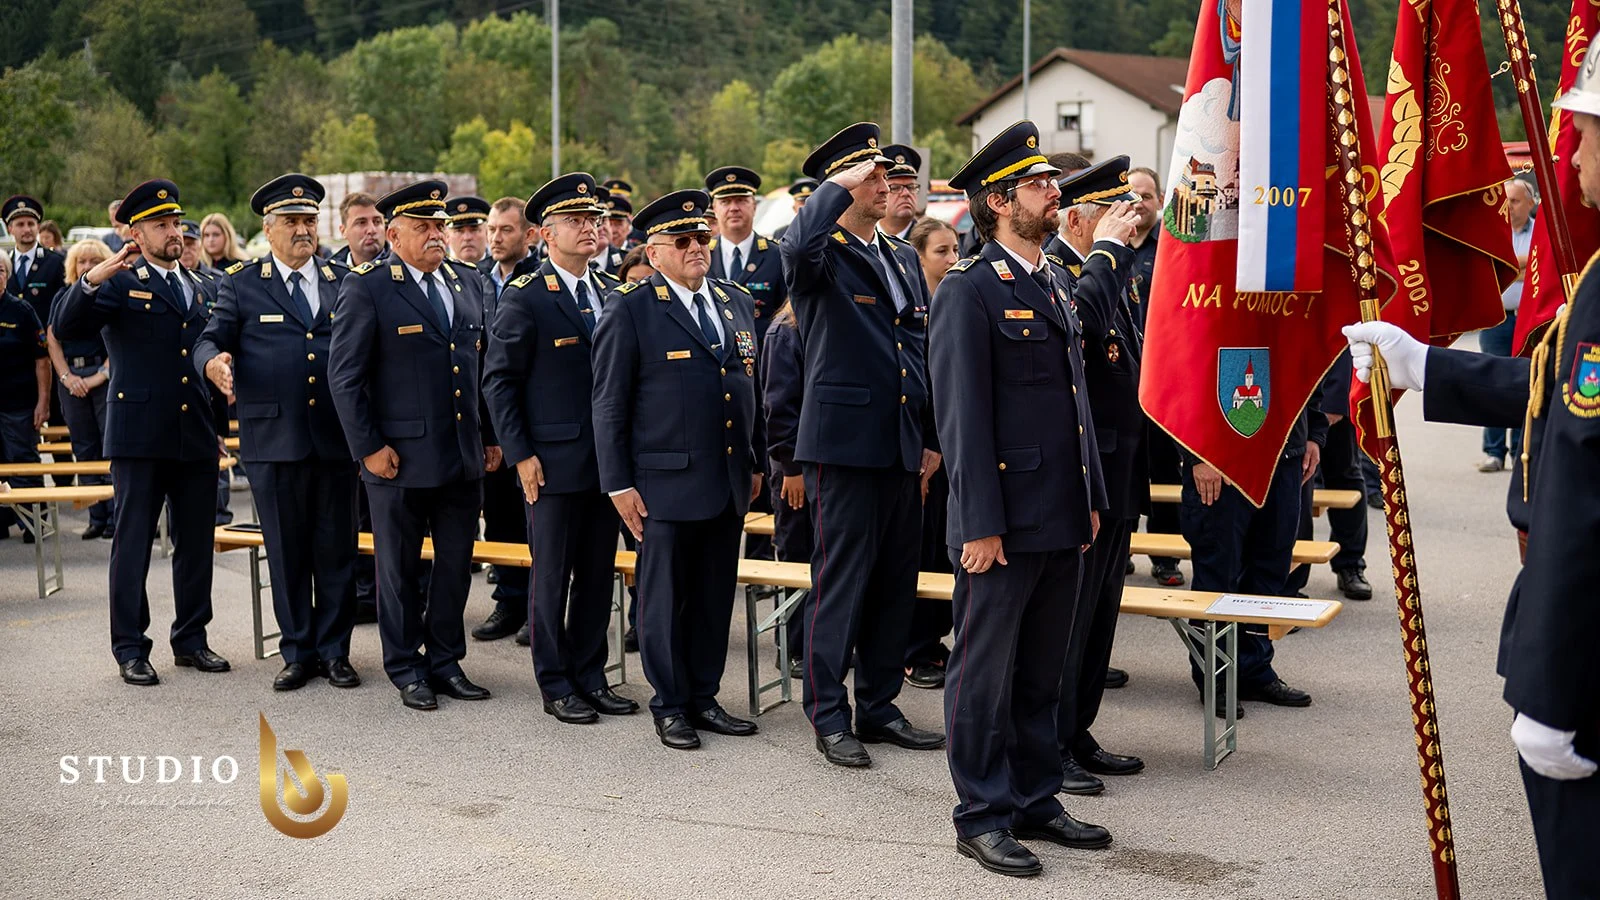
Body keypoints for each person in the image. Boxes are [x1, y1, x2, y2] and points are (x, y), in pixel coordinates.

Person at [1343, 59, 1600, 898]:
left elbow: (1583, 496)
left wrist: (1555, 688)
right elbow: (1554, 388)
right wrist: (1426, 366)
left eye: (1586, 133)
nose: (1572, 154)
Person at [932, 121, 1112, 878]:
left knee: (1043, 670)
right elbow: (962, 419)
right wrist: (978, 523)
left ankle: (1036, 797)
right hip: (1000, 522)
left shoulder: (1053, 282)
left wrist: (1091, 494)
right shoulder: (969, 291)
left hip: (1060, 511)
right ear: (1000, 202)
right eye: (1038, 184)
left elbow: (1076, 405)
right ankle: (981, 813)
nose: (1053, 192)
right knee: (984, 673)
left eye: (1049, 181)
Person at [781, 122, 944, 768]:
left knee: (894, 582)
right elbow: (796, 247)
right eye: (871, 176)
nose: (885, 184)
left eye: (886, 175)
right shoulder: (822, 254)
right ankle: (828, 714)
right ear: (843, 184)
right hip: (844, 446)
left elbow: (918, 349)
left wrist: (929, 436)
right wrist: (835, 187)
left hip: (901, 443)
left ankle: (879, 704)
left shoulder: (900, 256)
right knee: (840, 584)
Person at [592, 188, 763, 750]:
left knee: (713, 596)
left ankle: (703, 696)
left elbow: (749, 387)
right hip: (663, 483)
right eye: (683, 240)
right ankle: (669, 704)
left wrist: (756, 460)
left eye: (702, 238)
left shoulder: (735, 300)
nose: (697, 247)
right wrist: (618, 483)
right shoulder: (631, 307)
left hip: (726, 478)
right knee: (664, 601)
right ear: (655, 252)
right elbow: (609, 403)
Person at [328, 179, 497, 711]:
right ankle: (405, 665)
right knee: (398, 569)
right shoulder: (369, 287)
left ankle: (446, 660)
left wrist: (490, 436)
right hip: (397, 459)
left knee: (455, 564)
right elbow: (345, 377)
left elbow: (480, 368)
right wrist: (368, 448)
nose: (436, 234)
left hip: (460, 455)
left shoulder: (467, 282)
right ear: (395, 236)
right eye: (423, 227)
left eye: (439, 225)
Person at [55, 179, 231, 687]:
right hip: (139, 435)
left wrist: (219, 426)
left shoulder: (203, 285)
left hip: (195, 432)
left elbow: (211, 359)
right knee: (132, 544)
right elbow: (65, 325)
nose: (173, 232)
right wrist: (92, 278)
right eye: (160, 225)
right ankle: (131, 647)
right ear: (136, 234)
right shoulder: (118, 282)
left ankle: (191, 639)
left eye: (175, 222)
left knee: (194, 542)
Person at [194, 173, 361, 692]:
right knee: (286, 551)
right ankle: (298, 651)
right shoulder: (241, 283)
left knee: (336, 549)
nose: (303, 230)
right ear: (268, 230)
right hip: (273, 440)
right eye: (291, 221)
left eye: (309, 220)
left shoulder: (342, 280)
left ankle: (335, 652)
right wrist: (213, 364)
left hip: (335, 438)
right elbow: (208, 340)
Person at [484, 172, 635, 725]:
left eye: (593, 219)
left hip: (606, 462)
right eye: (575, 220)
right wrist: (520, 454)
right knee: (551, 577)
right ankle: (555, 683)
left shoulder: (612, 291)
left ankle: (591, 675)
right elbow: (499, 382)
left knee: (597, 575)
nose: (589, 227)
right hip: (549, 463)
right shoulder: (526, 296)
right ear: (545, 234)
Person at [1047, 157, 1150, 796]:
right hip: (1085, 476)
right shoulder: (1064, 274)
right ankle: (1052, 742)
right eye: (1114, 211)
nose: (1128, 222)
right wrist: (1108, 260)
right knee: (1070, 618)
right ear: (1079, 220)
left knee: (1101, 612)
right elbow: (1080, 337)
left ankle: (1078, 728)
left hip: (1120, 470)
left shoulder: (1114, 271)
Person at [1182, 379, 1325, 717]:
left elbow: (1308, 368)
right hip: (1221, 456)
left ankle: (1254, 667)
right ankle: (1214, 676)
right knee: (1218, 572)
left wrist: (1315, 433)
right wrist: (1196, 454)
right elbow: (1183, 377)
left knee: (1269, 569)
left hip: (1284, 453)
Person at [469, 196, 541, 645]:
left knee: (536, 524)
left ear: (529, 235)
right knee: (499, 520)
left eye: (506, 230)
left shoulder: (540, 279)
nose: (495, 238)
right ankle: (510, 601)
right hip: (489, 422)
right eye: (491, 229)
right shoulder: (475, 280)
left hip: (531, 423)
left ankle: (538, 607)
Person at [904, 217, 961, 690]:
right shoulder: (909, 310)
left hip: (954, 447)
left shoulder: (958, 299)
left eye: (956, 249)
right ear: (918, 257)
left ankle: (936, 638)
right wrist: (928, 446)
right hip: (923, 449)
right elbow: (920, 388)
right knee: (921, 550)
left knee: (947, 549)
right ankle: (914, 647)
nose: (952, 258)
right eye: (941, 251)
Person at [1126, 165, 1185, 588]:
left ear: (1160, 201)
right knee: (1124, 471)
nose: (1139, 203)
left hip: (1163, 382)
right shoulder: (1109, 245)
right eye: (1131, 196)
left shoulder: (1172, 247)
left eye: (1146, 196)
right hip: (1123, 381)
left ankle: (1165, 558)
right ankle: (1122, 549)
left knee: (1165, 470)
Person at [46, 239, 117, 539]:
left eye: (94, 261)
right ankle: (96, 516)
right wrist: (66, 377)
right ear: (72, 265)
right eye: (82, 261)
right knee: (84, 447)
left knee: (109, 445)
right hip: (70, 379)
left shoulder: (111, 294)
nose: (87, 266)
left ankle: (114, 516)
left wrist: (98, 377)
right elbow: (52, 339)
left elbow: (119, 341)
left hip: (104, 376)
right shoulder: (63, 296)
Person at [762, 297, 810, 680]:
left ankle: (814, 643)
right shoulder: (785, 330)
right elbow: (778, 407)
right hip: (793, 469)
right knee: (796, 556)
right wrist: (791, 467)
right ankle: (793, 647)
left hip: (823, 467)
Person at [1477, 178, 1535, 474]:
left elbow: (1541, 267)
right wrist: (1522, 266)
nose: (1509, 206)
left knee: (1528, 383)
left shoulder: (1541, 233)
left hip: (1530, 320)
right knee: (1493, 384)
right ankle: (1494, 452)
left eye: (1515, 201)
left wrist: (1509, 266)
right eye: (1506, 201)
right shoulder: (1493, 231)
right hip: (1496, 320)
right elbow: (1489, 268)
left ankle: (1521, 452)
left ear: (1531, 203)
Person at [706, 166, 788, 341]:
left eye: (741, 200)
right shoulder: (702, 256)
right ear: (715, 208)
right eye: (725, 202)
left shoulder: (777, 255)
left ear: (754, 206)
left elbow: (786, 315)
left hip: (764, 352)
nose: (734, 208)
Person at [0, 253, 49, 542]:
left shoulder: (22, 311)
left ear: (6, 276)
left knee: (23, 464)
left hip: (18, 404)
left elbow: (42, 360)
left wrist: (44, 401)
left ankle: (33, 523)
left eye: (0, 270)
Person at [5, 195, 68, 329]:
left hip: (44, 337)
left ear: (38, 227)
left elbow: (64, 303)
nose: (27, 229)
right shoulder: (4, 263)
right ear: (10, 229)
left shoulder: (56, 262)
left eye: (31, 224)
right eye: (20, 224)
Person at [328, 192, 387, 269]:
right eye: (362, 222)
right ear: (343, 231)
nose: (371, 230)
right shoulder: (329, 271)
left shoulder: (399, 267)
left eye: (377, 222)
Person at [880, 145, 922, 240]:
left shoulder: (927, 239)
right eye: (895, 188)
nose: (906, 193)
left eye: (911, 187)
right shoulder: (864, 237)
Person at [445, 196, 490, 264]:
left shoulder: (501, 267)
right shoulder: (438, 269)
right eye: (459, 231)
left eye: (474, 230)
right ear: (447, 237)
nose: (467, 238)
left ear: (487, 233)